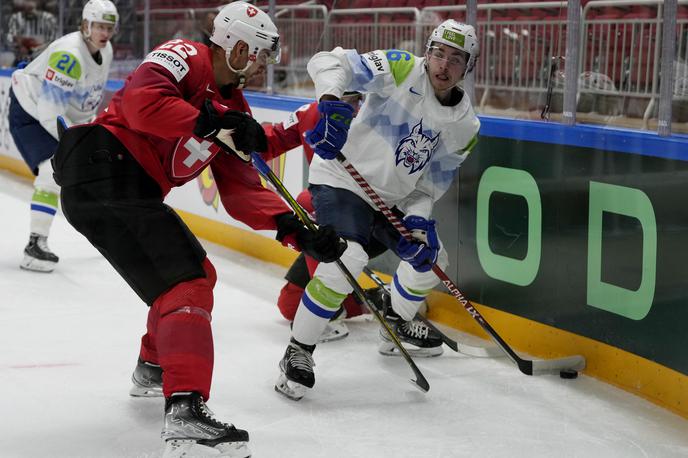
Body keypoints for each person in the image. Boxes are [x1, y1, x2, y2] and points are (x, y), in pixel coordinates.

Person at [51, 2, 344, 457]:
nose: (265, 64)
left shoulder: (233, 107)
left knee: (189, 280)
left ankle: (154, 367)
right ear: (240, 47)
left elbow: (243, 191)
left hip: (121, 186)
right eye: (262, 54)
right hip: (103, 164)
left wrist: (297, 232)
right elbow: (141, 103)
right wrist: (212, 121)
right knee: (189, 280)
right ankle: (185, 410)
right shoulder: (187, 53)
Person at [275, 19, 481, 401]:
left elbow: (430, 183)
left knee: (432, 260)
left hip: (390, 201)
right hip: (341, 181)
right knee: (346, 256)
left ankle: (395, 322)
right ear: (428, 51)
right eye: (438, 52)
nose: (443, 64)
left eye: (456, 58)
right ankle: (298, 351)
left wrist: (418, 220)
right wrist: (331, 102)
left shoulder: (466, 125)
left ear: (469, 66)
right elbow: (327, 61)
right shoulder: (402, 67)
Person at [9, 0, 117, 272]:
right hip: (30, 113)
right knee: (50, 170)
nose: (104, 33)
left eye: (109, 27)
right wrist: (79, 143)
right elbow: (49, 112)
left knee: (93, 170)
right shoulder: (69, 56)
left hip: (58, 117)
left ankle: (106, 235)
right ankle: (35, 245)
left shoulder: (106, 51)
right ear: (85, 25)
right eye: (99, 26)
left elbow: (88, 100)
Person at [262, 91, 375, 342]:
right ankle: (374, 302)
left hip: (372, 221)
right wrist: (241, 141)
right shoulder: (309, 113)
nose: (352, 106)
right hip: (330, 222)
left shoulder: (376, 119)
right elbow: (268, 140)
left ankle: (401, 309)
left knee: (307, 202)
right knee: (289, 305)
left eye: (355, 98)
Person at [6, 0, 57, 65]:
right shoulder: (16, 18)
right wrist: (20, 45)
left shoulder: (48, 18)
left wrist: (35, 48)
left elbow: (53, 41)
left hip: (42, 60)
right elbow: (10, 37)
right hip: (20, 59)